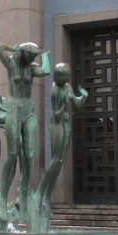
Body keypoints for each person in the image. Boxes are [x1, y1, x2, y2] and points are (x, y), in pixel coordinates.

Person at [0, 42, 50, 220]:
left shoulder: (31, 69)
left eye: (34, 57)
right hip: (13, 110)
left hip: (29, 112)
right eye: (30, 55)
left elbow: (46, 71)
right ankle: (3, 199)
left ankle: (22, 194)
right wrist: (13, 48)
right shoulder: (12, 64)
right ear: (23, 53)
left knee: (30, 155)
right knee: (12, 153)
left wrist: (44, 55)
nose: (32, 59)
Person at [37, 63, 88, 209]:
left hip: (66, 125)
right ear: (60, 76)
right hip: (57, 125)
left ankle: (47, 196)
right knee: (55, 160)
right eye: (67, 75)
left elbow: (77, 104)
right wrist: (64, 103)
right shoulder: (54, 89)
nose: (69, 77)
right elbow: (56, 115)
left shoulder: (68, 86)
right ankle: (40, 192)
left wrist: (83, 96)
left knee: (60, 161)